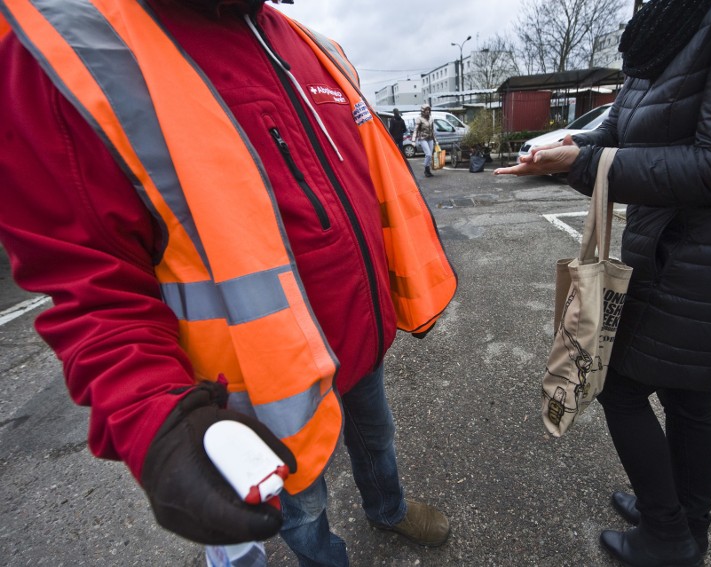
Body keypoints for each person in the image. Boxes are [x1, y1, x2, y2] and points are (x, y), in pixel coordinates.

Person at [0, 1, 458, 566]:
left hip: (362, 333)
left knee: (377, 441)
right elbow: (92, 283)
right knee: (302, 506)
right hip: (268, 379)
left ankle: (387, 508)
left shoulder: (309, 43)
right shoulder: (78, 54)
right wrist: (155, 414)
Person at [496, 0, 711, 565]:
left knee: (620, 385)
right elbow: (623, 122)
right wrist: (568, 148)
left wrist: (580, 168)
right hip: (674, 244)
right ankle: (685, 523)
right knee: (690, 394)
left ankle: (668, 533)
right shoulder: (676, 16)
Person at [412, 103, 436, 177]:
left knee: (430, 155)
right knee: (428, 154)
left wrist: (435, 140)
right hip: (423, 138)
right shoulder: (419, 119)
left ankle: (428, 170)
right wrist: (413, 140)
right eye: (426, 110)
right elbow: (415, 130)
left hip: (430, 138)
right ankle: (426, 169)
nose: (427, 111)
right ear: (423, 111)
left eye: (428, 110)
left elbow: (432, 130)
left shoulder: (431, 118)